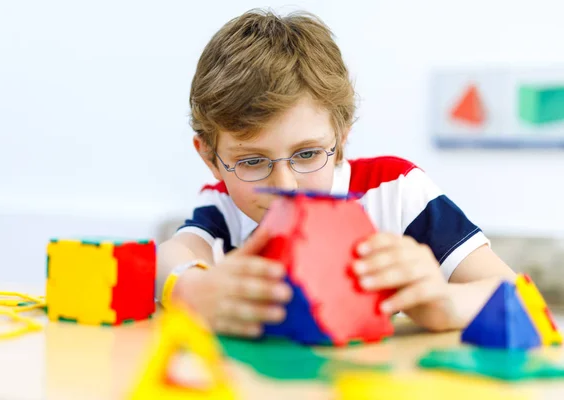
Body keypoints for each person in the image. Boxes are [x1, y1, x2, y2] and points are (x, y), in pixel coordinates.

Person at [156, 9, 516, 338]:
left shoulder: (396, 191)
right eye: (252, 161)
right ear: (210, 158)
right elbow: (168, 257)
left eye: (308, 154)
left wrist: (446, 303)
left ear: (341, 139)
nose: (285, 186)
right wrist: (189, 289)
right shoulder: (224, 205)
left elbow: (517, 296)